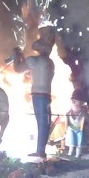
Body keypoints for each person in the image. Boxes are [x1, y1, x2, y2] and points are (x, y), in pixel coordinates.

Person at [12, 29, 56, 159]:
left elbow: (18, 69)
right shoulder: (50, 63)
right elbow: (36, 74)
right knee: (44, 122)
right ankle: (40, 149)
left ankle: (40, 151)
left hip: (38, 95)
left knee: (42, 122)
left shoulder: (34, 60)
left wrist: (16, 57)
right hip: (47, 95)